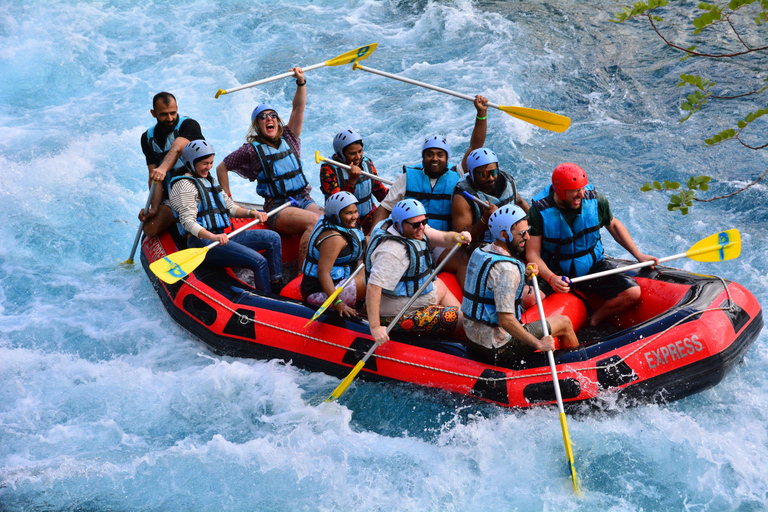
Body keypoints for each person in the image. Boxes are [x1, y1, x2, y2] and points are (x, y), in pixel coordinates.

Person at [370, 95, 490, 288]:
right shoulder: (407, 178)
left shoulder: (458, 174)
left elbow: (475, 147)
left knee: (462, 261)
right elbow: (384, 209)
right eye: (429, 154)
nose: (435, 158)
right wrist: (374, 236)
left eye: (440, 154)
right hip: (407, 238)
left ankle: (470, 308)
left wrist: (481, 114)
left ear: (447, 157)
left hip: (440, 240)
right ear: (423, 157)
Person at [526, 163, 659, 326]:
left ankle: (594, 320)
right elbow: (532, 254)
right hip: (556, 269)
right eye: (575, 190)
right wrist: (551, 278)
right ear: (560, 191)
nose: (581, 194)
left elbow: (614, 226)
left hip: (591, 266)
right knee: (530, 298)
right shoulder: (539, 211)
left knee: (632, 293)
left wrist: (638, 255)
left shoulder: (596, 201)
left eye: (582, 188)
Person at [215, 67, 322, 266]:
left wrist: (301, 82)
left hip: (303, 199)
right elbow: (222, 167)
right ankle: (303, 277)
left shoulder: (290, 137)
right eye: (263, 117)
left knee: (329, 220)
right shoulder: (251, 150)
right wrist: (228, 201)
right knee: (313, 222)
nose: (269, 118)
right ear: (257, 125)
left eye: (272, 115)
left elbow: (298, 108)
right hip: (277, 209)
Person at [462, 206, 578, 365]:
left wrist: (525, 272)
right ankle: (577, 367)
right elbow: (506, 321)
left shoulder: (481, 251)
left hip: (472, 339)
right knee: (564, 322)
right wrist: (539, 344)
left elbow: (491, 283)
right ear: (504, 234)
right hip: (498, 347)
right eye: (522, 233)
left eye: (527, 231)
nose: (528, 237)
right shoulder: (508, 270)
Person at [170, 140, 283, 294]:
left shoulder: (208, 180)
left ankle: (276, 284)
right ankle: (269, 300)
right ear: (190, 162)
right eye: (205, 163)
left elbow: (229, 207)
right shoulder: (183, 186)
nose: (209, 167)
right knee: (259, 261)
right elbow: (188, 223)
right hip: (202, 242)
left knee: (273, 238)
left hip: (221, 236)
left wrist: (252, 213)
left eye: (211, 163)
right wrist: (212, 237)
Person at [366, 199, 471, 345]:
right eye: (416, 225)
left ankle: (462, 319)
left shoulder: (407, 226)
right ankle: (465, 325)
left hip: (409, 296)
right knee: (468, 324)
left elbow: (442, 238)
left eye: (424, 222)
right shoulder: (392, 252)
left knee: (439, 285)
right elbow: (373, 287)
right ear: (398, 224)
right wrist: (375, 327)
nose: (421, 227)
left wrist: (457, 237)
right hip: (396, 312)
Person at [139, 92, 205, 238]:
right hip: (171, 195)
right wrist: (154, 208)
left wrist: (162, 168)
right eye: (163, 114)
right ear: (153, 113)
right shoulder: (147, 138)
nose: (170, 118)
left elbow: (177, 148)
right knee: (149, 230)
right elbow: (154, 177)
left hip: (196, 189)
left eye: (173, 113)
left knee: (192, 228)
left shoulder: (189, 125)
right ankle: (175, 223)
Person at [300, 192, 366, 317]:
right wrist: (337, 302)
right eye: (348, 213)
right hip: (320, 293)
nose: (354, 216)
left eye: (355, 211)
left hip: (339, 281)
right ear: (336, 215)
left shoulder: (341, 225)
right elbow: (323, 273)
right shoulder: (334, 239)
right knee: (375, 277)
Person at [452, 147, 529, 248]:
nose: (491, 178)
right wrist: (485, 219)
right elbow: (462, 239)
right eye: (484, 174)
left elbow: (519, 203)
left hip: (508, 239)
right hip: (479, 246)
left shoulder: (508, 182)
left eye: (493, 172)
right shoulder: (462, 197)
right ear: (472, 174)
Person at [320, 129, 389, 234]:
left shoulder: (367, 163)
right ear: (341, 154)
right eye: (352, 153)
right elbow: (338, 206)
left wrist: (398, 193)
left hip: (369, 219)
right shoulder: (328, 170)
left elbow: (380, 193)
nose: (358, 157)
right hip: (344, 223)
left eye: (360, 151)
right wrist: (352, 180)